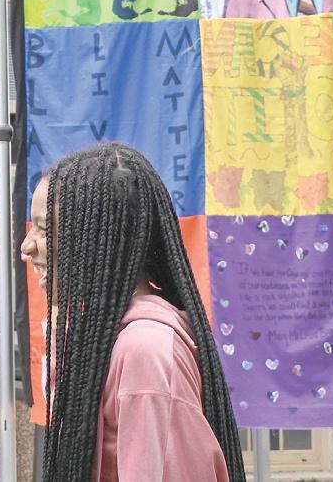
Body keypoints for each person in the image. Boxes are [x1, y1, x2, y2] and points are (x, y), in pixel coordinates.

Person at [21, 144, 245, 482]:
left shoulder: (145, 350)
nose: (26, 246)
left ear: (97, 236)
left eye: (44, 228)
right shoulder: (102, 338)